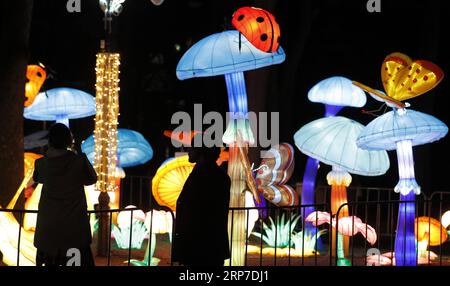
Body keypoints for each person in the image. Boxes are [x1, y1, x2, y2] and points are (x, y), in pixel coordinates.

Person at [33, 123, 97, 266]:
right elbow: (92, 179)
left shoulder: (41, 164)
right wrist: (80, 154)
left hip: (48, 231)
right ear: (69, 141)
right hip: (75, 230)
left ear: (50, 141)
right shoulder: (78, 162)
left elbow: (38, 178)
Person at [172, 135, 231, 267]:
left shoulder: (204, 175)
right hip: (207, 246)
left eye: (192, 148)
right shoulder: (216, 175)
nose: (188, 151)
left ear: (201, 151)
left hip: (200, 247)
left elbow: (200, 212)